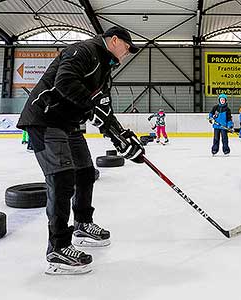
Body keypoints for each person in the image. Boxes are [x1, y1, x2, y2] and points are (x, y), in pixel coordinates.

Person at [16, 26, 145, 275]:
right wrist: (90, 107)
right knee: (62, 179)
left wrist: (121, 137)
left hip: (68, 124)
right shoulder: (83, 50)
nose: (128, 53)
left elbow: (102, 110)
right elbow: (65, 82)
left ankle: (83, 224)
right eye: (127, 47)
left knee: (85, 173)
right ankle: (58, 248)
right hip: (45, 119)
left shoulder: (105, 69)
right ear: (114, 40)